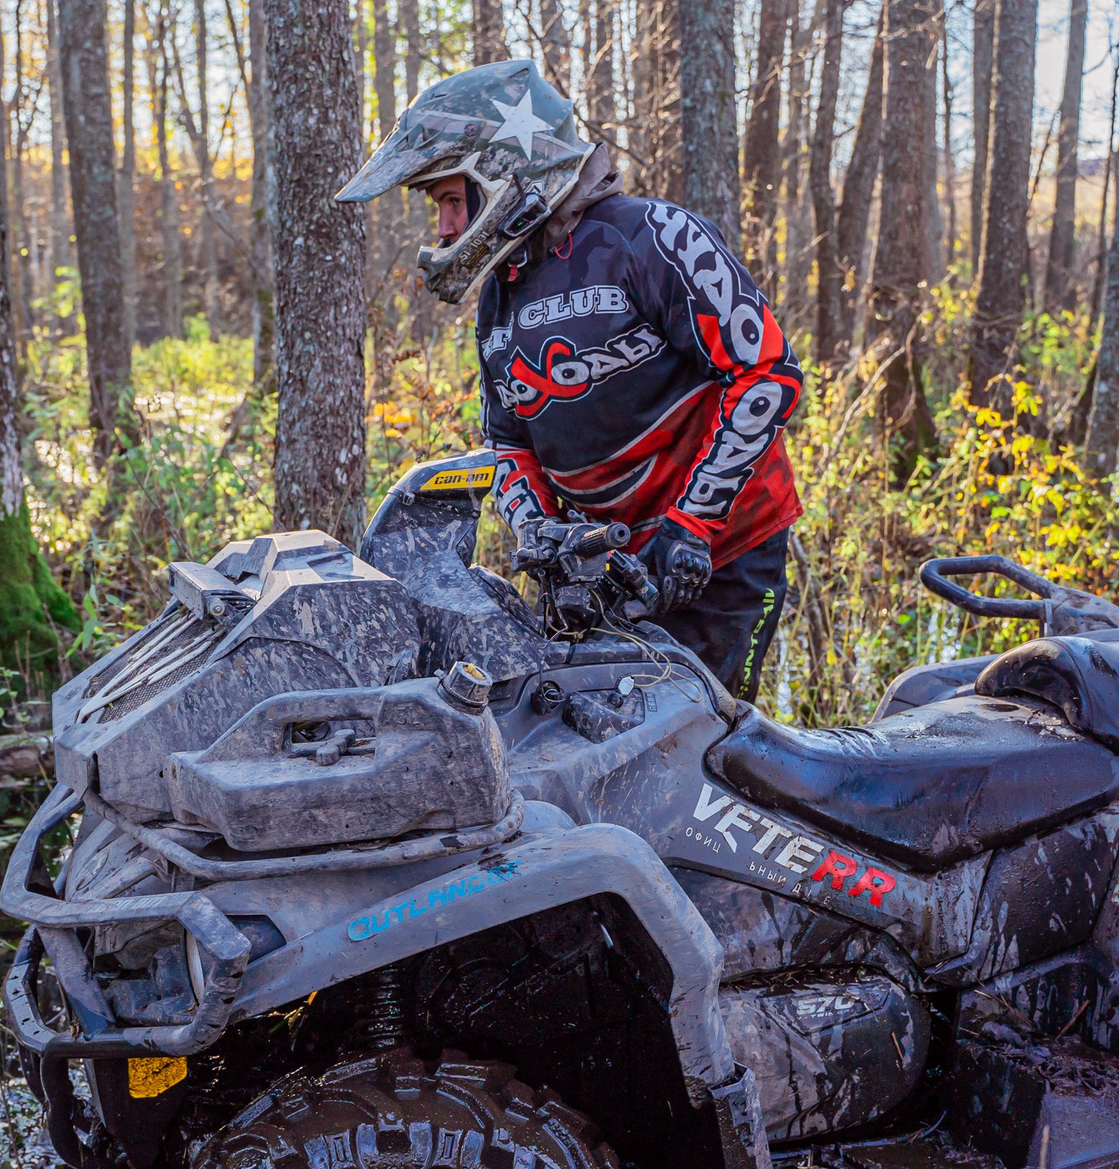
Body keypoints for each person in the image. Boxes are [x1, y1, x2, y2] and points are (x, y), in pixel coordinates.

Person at [336, 60, 804, 698]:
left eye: (450, 200)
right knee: (588, 754)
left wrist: (692, 524)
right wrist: (539, 534)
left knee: (708, 745)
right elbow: (510, 442)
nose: (445, 228)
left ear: (503, 174)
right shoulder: (502, 295)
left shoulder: (652, 238)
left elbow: (766, 374)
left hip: (721, 552)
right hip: (607, 567)